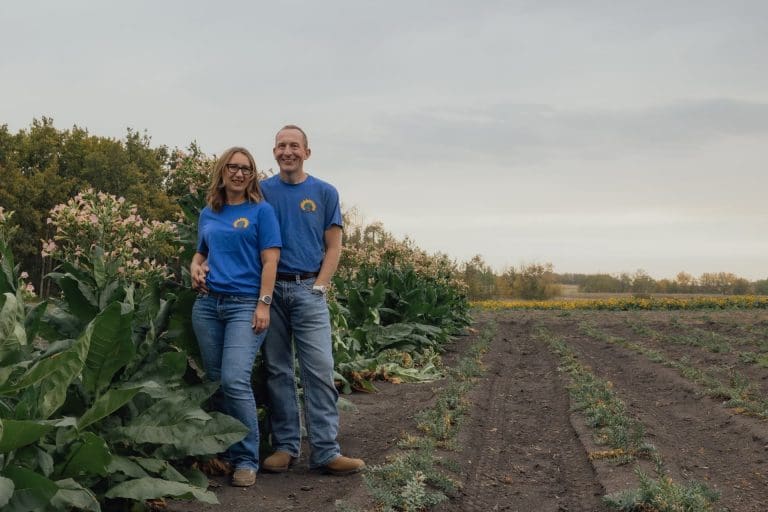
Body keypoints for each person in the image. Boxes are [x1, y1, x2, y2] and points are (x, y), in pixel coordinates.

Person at [259, 125, 365, 476]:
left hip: (308, 289)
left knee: (319, 370)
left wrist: (319, 286)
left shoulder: (324, 192)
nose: (287, 151)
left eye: (294, 145)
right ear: (274, 152)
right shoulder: (262, 192)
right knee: (278, 370)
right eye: (281, 146)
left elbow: (333, 247)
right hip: (271, 293)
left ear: (307, 152)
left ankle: (326, 450)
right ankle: (286, 446)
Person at [190, 146, 281, 487]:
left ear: (252, 175)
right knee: (216, 381)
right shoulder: (209, 212)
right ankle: (225, 453)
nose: (239, 173)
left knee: (234, 379)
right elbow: (200, 254)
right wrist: (194, 269)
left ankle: (246, 459)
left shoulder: (262, 211)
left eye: (246, 168)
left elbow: (271, 261)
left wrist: (264, 303)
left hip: (245, 304)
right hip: (208, 305)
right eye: (233, 167)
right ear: (222, 171)